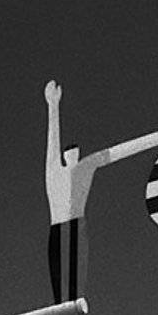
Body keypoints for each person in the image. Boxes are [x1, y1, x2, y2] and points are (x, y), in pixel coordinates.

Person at [45, 80, 113, 303]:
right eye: (69, 152)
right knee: (58, 264)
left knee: (77, 262)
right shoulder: (55, 171)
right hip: (57, 225)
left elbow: (116, 152)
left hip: (76, 223)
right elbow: (52, 144)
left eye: (75, 152)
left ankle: (73, 299)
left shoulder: (86, 166)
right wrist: (53, 105)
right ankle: (61, 302)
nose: (72, 154)